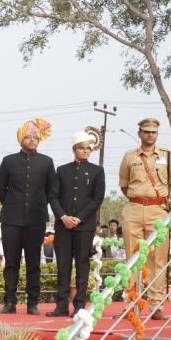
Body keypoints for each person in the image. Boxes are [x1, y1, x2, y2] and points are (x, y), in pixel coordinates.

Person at [119, 118, 171, 320]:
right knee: (133, 257)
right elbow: (124, 185)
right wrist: (139, 198)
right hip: (134, 207)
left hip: (158, 210)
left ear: (157, 135)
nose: (150, 135)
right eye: (146, 132)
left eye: (153, 132)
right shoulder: (129, 157)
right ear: (139, 134)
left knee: (158, 259)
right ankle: (132, 301)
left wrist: (160, 200)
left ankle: (156, 304)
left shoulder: (168, 156)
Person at [0, 118, 55, 315]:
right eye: (28, 136)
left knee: (33, 262)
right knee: (11, 262)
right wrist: (12, 205)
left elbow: (50, 190)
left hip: (36, 219)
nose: (32, 140)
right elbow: (0, 188)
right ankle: (10, 302)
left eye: (35, 137)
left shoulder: (46, 162)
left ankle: (32, 304)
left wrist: (38, 205)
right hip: (11, 219)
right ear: (21, 139)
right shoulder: (8, 161)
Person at [47, 131, 106, 317]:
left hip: (84, 226)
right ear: (74, 150)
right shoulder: (62, 170)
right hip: (63, 226)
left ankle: (79, 305)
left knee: (82, 266)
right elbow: (53, 196)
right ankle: (61, 305)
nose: (86, 151)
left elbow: (97, 199)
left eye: (89, 148)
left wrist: (79, 218)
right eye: (82, 148)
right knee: (63, 266)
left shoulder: (97, 171)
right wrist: (63, 217)